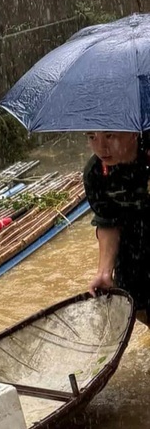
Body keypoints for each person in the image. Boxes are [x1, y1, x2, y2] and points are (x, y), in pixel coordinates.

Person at [82, 130, 150, 322]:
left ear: (134, 133)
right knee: (137, 306)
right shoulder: (95, 173)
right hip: (132, 251)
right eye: (92, 137)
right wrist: (104, 272)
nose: (101, 147)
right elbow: (107, 222)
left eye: (110, 136)